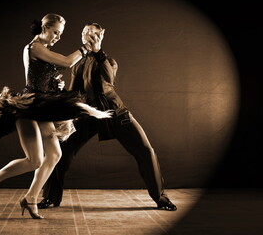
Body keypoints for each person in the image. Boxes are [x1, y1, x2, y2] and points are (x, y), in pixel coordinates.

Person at [0, 14, 112, 219]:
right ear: (44, 28)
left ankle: (30, 198)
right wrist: (86, 47)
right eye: (55, 32)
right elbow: (66, 61)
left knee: (55, 155)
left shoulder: (43, 49)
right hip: (29, 108)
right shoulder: (34, 47)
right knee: (35, 160)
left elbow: (44, 77)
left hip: (43, 107)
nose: (57, 37)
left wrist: (56, 85)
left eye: (60, 34)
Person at [38, 23, 177, 211]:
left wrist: (98, 51)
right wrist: (60, 93)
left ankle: (161, 199)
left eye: (92, 33)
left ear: (100, 36)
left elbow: (108, 80)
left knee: (146, 151)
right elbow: (73, 93)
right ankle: (50, 198)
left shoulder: (109, 61)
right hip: (88, 115)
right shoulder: (77, 64)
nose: (87, 35)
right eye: (84, 32)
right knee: (60, 150)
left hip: (115, 113)